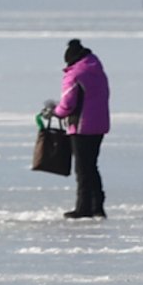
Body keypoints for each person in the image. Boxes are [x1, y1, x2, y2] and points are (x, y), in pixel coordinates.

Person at [45, 39, 111, 219]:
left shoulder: (74, 74)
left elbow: (67, 104)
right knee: (91, 166)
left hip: (81, 126)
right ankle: (97, 205)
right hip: (99, 125)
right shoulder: (97, 70)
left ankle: (83, 208)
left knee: (82, 169)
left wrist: (54, 113)